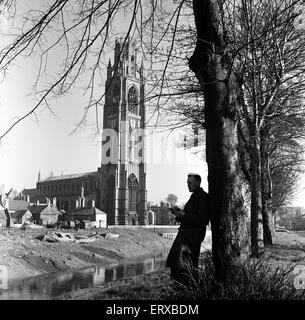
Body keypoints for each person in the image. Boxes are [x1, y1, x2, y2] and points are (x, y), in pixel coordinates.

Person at [166, 173, 210, 284]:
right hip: (186, 234)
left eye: (190, 183)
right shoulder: (193, 196)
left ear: (198, 183)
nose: (188, 185)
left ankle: (187, 287)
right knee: (179, 262)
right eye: (187, 183)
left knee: (183, 262)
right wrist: (179, 214)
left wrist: (184, 215)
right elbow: (188, 216)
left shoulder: (203, 197)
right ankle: (181, 286)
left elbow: (203, 220)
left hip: (192, 236)